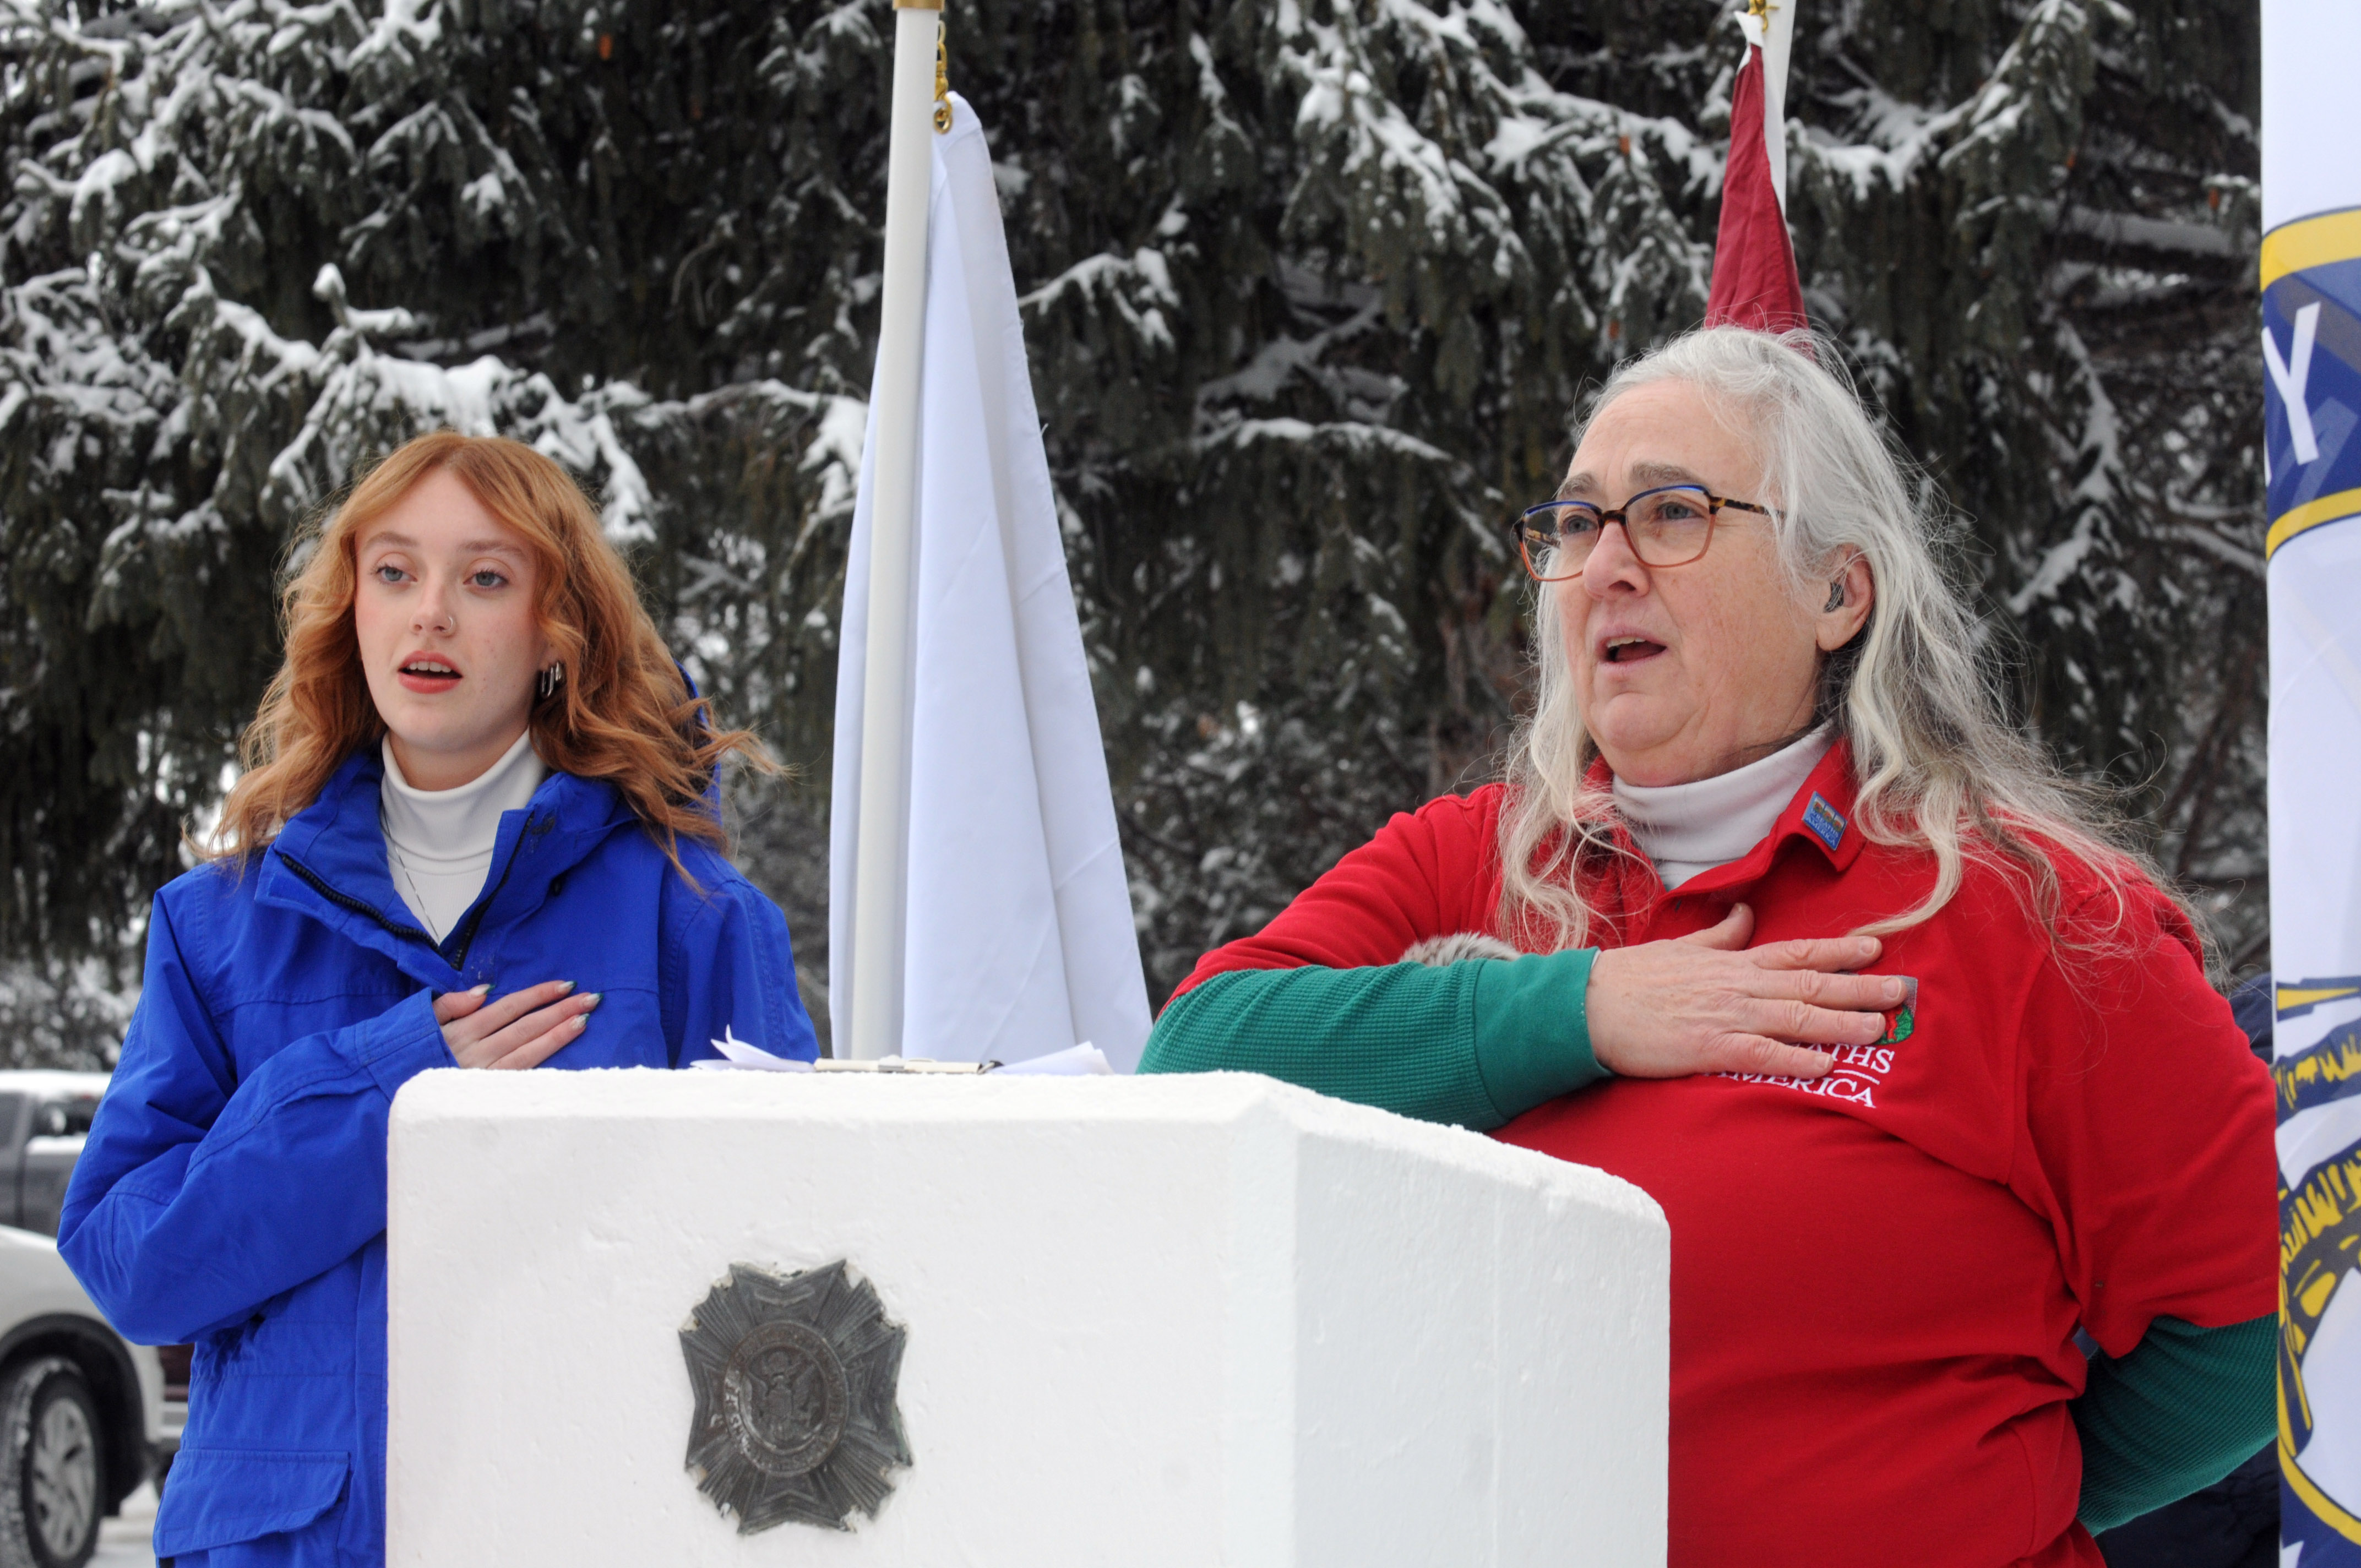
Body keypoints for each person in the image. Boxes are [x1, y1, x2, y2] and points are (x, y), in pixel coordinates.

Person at [1141, 326, 2276, 1567]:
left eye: (1670, 512)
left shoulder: (2038, 918)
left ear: (1835, 591)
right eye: (1574, 525)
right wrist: (1581, 1009)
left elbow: (2255, 1316)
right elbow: (1196, 1055)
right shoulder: (1476, 854)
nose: (1605, 566)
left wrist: (2002, 1491)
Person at [59, 432, 818, 1566]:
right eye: (397, 572)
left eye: (486, 578)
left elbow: (788, 1274)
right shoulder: (216, 923)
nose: (432, 615)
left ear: (557, 632)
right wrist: (385, 1087)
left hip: (585, 1525)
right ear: (350, 608)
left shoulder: (692, 916)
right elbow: (136, 1267)